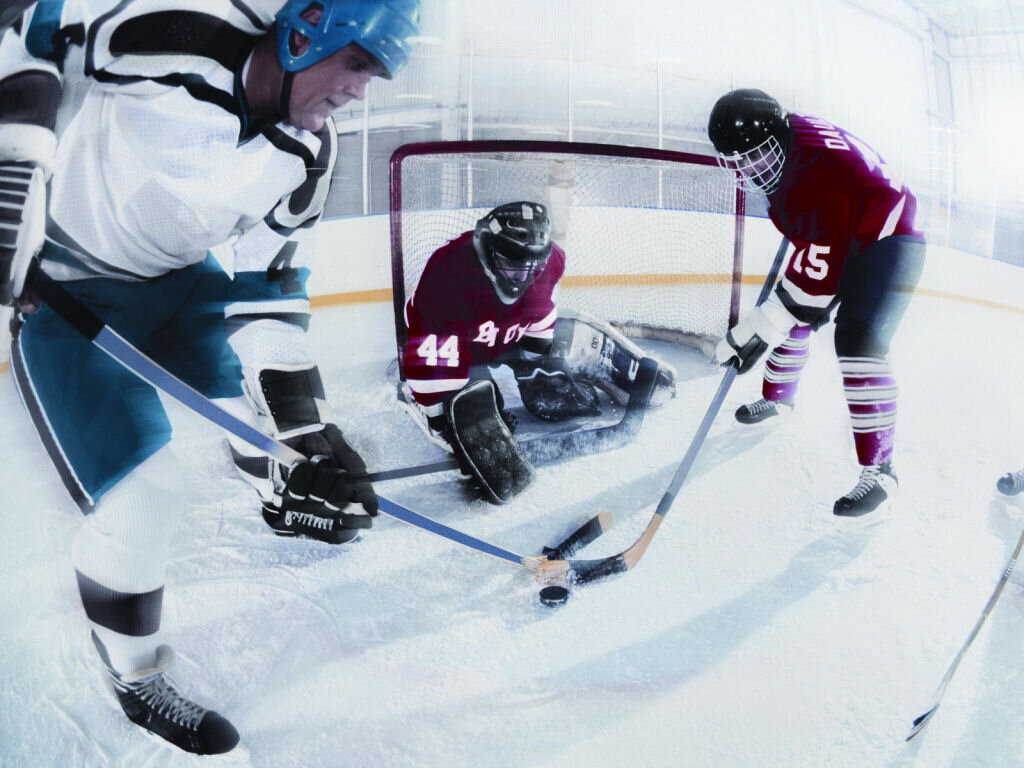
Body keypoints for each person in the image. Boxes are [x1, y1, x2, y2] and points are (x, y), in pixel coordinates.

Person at [0, 0, 419, 754]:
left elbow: (269, 298)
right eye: (357, 63)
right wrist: (18, 142)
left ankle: (276, 487)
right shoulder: (171, 36)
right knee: (143, 500)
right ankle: (136, 677)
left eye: (376, 76)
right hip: (68, 295)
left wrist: (307, 437)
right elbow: (32, 26)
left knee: (279, 430)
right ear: (304, 33)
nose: (361, 91)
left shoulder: (308, 160)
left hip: (184, 285)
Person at [708, 88, 925, 520]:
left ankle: (882, 469)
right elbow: (813, 271)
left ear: (777, 139)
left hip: (890, 234)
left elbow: (815, 290)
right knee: (795, 315)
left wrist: (762, 324)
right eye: (739, 160)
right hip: (850, 216)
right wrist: (775, 317)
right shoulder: (790, 142)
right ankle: (780, 398)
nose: (748, 169)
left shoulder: (814, 179)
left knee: (859, 340)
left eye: (756, 156)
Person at [400, 200, 674, 504]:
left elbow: (543, 308)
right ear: (489, 253)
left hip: (508, 333)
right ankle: (471, 390)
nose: (525, 277)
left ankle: (555, 372)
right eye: (513, 266)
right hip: (463, 347)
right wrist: (441, 415)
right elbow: (433, 352)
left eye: (533, 267)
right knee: (469, 407)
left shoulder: (552, 260)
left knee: (557, 367)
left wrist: (538, 356)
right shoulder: (447, 273)